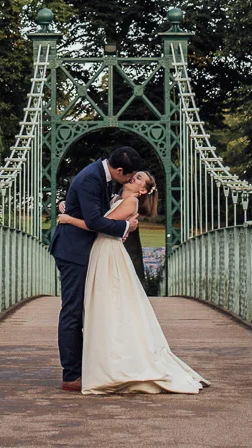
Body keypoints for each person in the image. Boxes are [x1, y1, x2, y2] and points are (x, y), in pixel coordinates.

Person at [56, 170, 208, 395]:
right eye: (134, 175)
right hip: (98, 252)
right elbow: (91, 210)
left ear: (143, 190)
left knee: (113, 306)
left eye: (139, 179)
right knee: (102, 309)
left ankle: (115, 364)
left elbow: (97, 224)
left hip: (108, 254)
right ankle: (100, 363)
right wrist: (67, 205)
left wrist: (69, 219)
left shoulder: (130, 202)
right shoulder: (114, 198)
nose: (132, 178)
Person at [49, 147, 140, 392]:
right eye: (129, 176)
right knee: (72, 311)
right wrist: (126, 227)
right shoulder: (91, 178)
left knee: (87, 312)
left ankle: (87, 368)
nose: (130, 180)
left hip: (85, 250)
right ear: (119, 170)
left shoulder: (101, 175)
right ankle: (71, 375)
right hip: (74, 252)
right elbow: (94, 221)